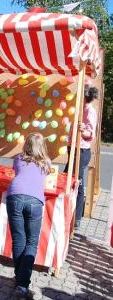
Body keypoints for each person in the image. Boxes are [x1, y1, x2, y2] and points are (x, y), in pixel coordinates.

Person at [6, 133, 51, 299]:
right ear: (42, 147)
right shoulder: (46, 163)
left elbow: (19, 173)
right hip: (34, 200)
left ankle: (20, 279)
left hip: (14, 196)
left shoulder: (18, 158)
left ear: (26, 145)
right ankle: (23, 284)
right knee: (31, 242)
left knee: (19, 240)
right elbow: (43, 184)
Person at [64, 85, 98, 228]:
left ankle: (77, 218)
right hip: (73, 148)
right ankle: (69, 212)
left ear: (85, 96)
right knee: (67, 178)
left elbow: (91, 134)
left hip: (82, 151)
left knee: (77, 182)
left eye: (79, 95)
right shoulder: (80, 108)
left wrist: (83, 130)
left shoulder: (90, 111)